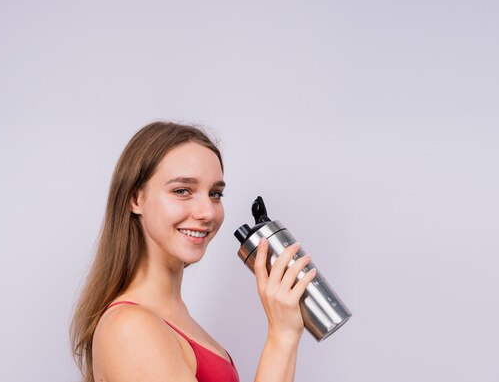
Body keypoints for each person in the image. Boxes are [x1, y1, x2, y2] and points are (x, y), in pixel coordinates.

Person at [70, 121, 317, 382]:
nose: (207, 212)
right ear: (135, 199)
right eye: (182, 191)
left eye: (215, 194)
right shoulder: (130, 328)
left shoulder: (172, 316)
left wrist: (286, 334)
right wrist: (281, 336)